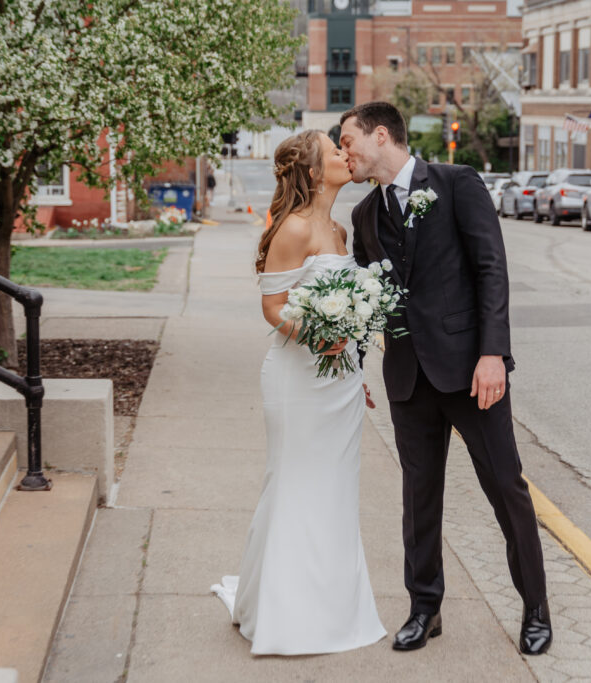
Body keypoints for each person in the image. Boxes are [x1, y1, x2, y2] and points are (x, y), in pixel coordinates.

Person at [339, 101, 552, 655]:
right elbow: (367, 300)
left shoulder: (457, 183)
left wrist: (493, 355)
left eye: (348, 142)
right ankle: (424, 607)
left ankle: (535, 607)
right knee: (419, 497)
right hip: (408, 377)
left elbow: (490, 269)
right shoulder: (365, 216)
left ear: (380, 135)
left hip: (470, 372)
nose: (345, 154)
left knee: (506, 488)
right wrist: (351, 367)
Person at [211, 130, 387, 655]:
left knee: (334, 491)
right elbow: (272, 308)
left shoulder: (338, 229)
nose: (345, 154)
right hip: (297, 380)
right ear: (313, 171)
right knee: (293, 484)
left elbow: (348, 304)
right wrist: (322, 338)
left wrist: (351, 360)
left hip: (340, 384)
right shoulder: (292, 228)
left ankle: (333, 608)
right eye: (335, 151)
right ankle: (287, 615)